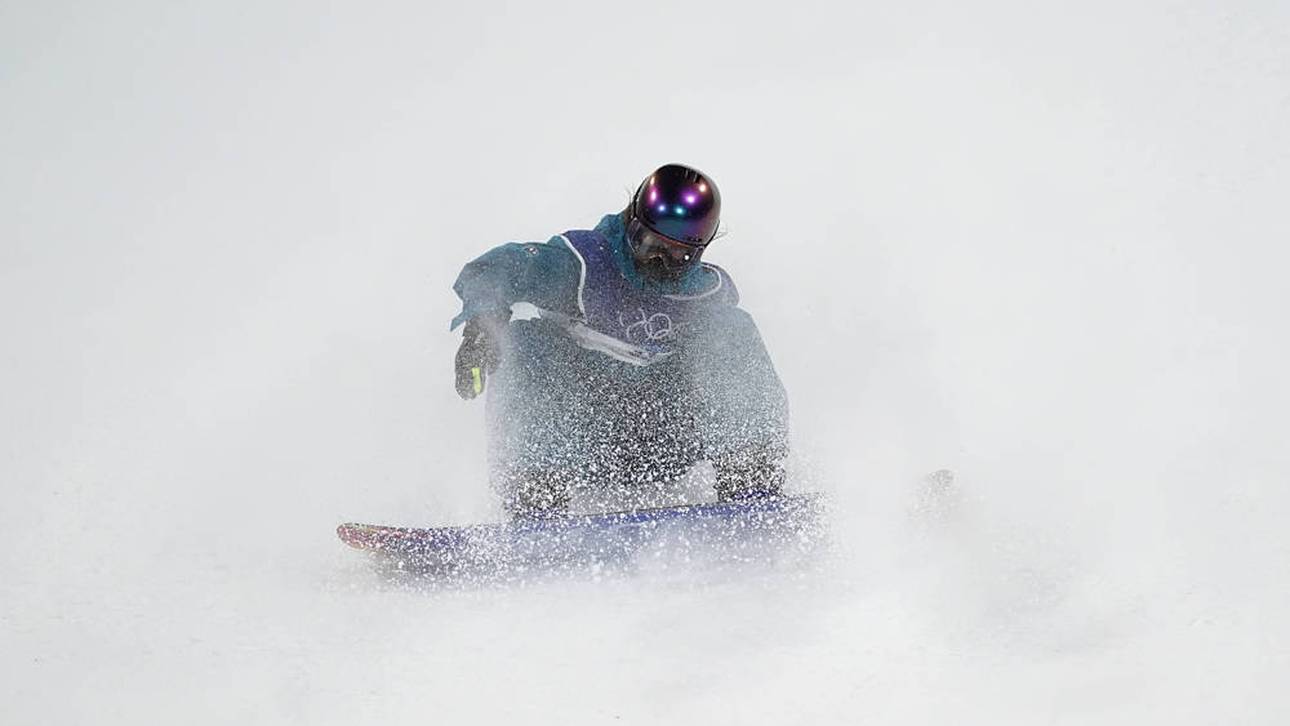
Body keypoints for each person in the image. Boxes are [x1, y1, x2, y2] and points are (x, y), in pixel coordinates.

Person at [450, 163, 789, 518]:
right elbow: (497, 270)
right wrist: (480, 327)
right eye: (648, 245)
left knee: (731, 327)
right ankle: (536, 498)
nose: (658, 262)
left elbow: (735, 373)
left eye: (678, 256)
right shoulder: (582, 265)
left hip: (667, 439)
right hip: (583, 441)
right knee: (526, 338)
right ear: (631, 223)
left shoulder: (706, 294)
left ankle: (752, 481)